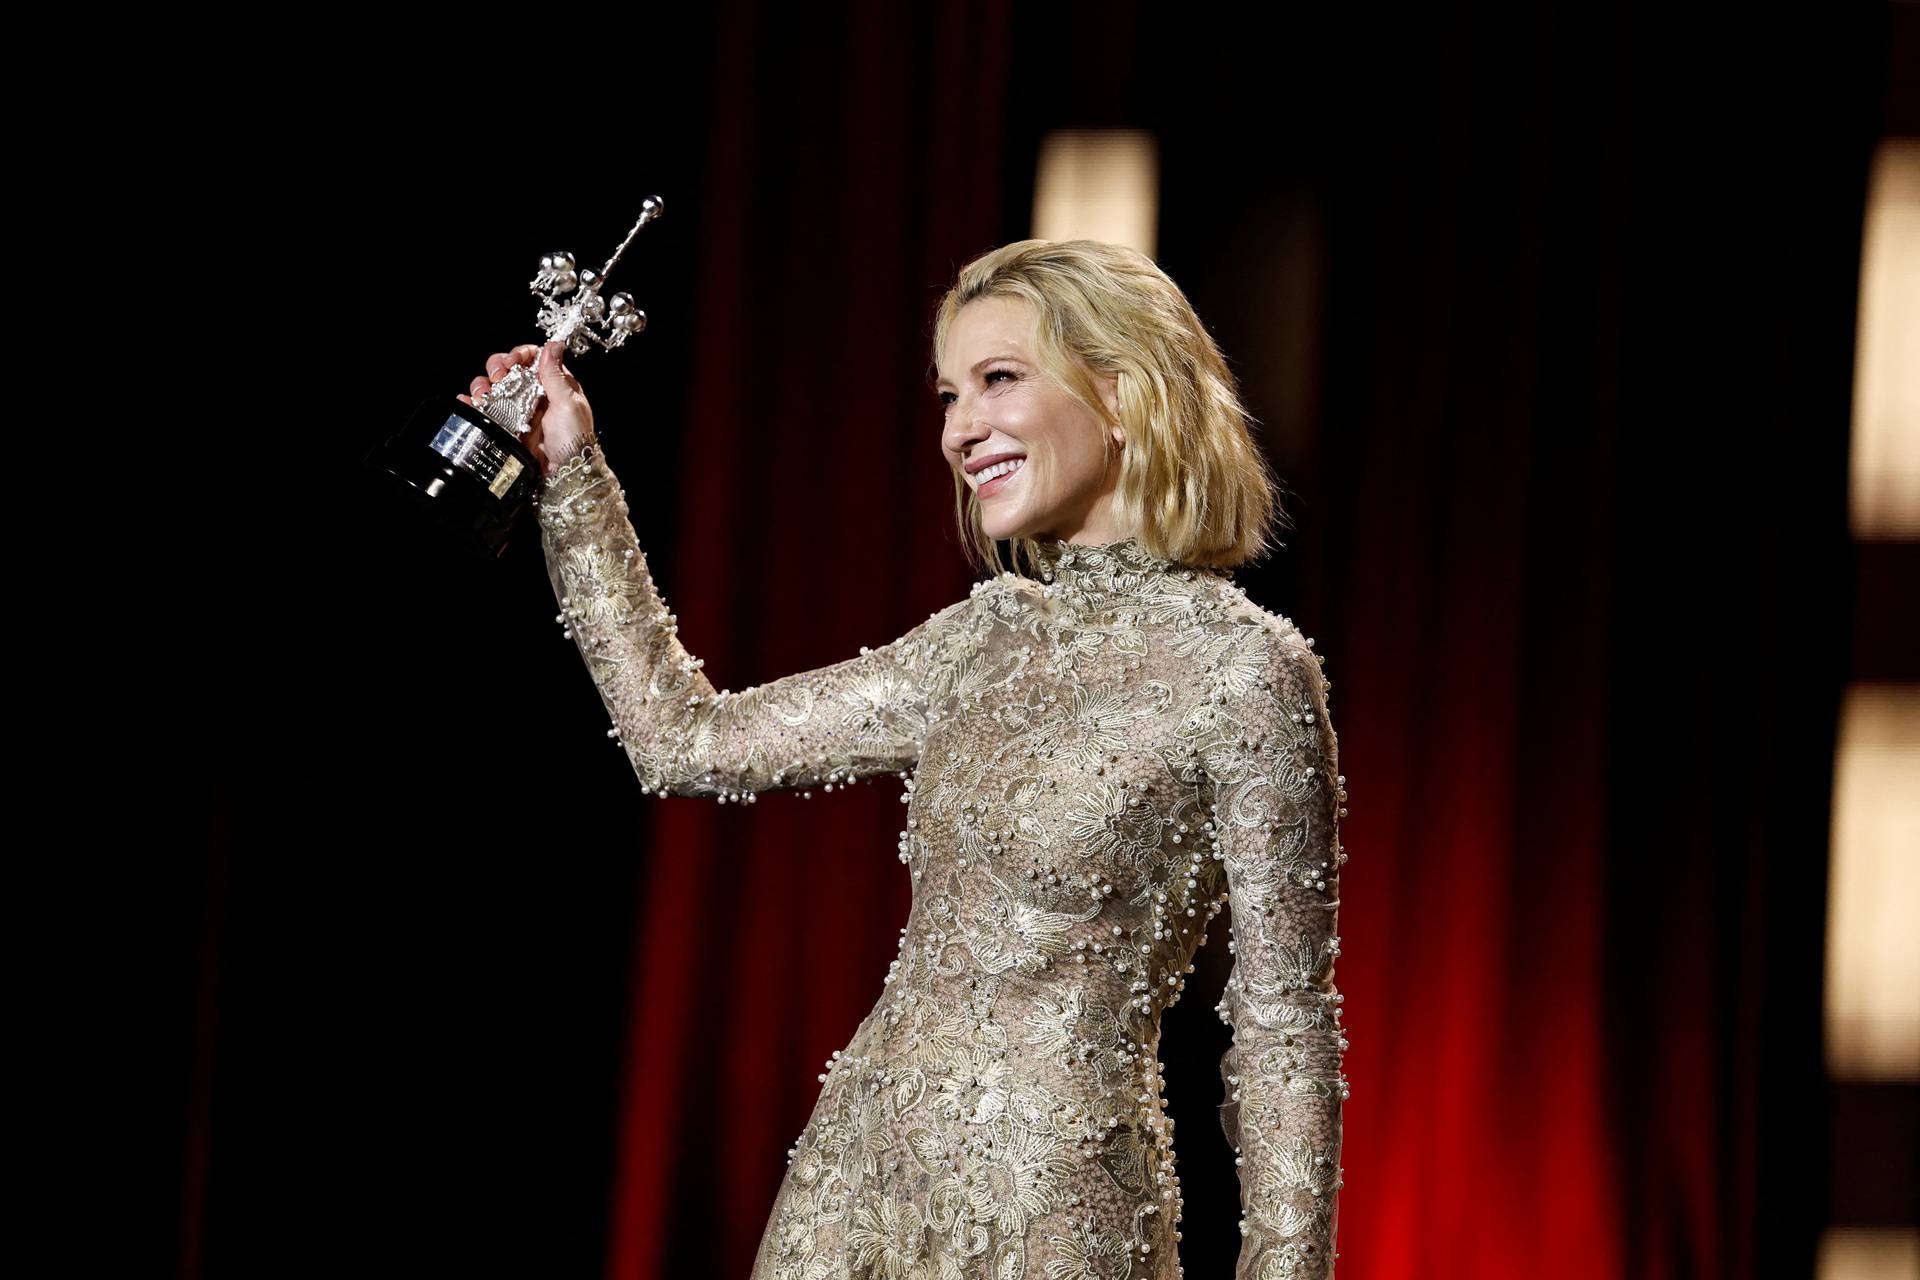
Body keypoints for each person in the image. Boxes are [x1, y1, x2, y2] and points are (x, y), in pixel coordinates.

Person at [463, 240, 1350, 1280]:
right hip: (852, 1183)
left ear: (1121, 391)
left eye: (998, 379)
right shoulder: (982, 640)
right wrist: (574, 476)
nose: (959, 429)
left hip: (1055, 1214)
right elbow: (681, 741)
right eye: (948, 394)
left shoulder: (1246, 674)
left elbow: (1285, 1029)